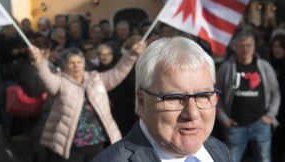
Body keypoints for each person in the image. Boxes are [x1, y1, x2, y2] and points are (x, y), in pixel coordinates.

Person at [92, 36, 232, 162]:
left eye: (203, 96)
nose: (192, 113)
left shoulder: (219, 150)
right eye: (175, 98)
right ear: (141, 102)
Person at [29, 40, 146, 162]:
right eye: (71, 63)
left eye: (79, 62)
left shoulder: (95, 78)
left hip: (98, 141)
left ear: (84, 63)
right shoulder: (60, 81)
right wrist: (38, 61)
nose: (76, 66)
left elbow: (118, 72)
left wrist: (131, 55)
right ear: (64, 65)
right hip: (71, 144)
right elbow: (46, 78)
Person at [216, 31, 280, 162]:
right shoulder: (226, 67)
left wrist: (271, 115)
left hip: (260, 124)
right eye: (242, 45)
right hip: (235, 125)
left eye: (249, 45)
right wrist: (224, 119)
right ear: (235, 47)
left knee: (264, 158)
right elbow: (216, 95)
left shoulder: (264, 67)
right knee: (231, 159)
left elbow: (275, 92)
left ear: (254, 47)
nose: (245, 49)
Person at [268, 34, 285, 162]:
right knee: (275, 151)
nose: (277, 49)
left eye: (280, 46)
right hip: (273, 115)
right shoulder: (268, 65)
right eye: (275, 46)